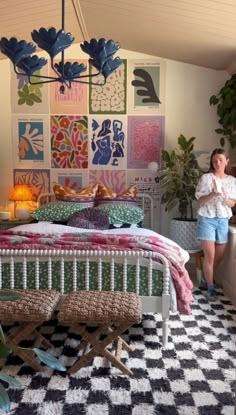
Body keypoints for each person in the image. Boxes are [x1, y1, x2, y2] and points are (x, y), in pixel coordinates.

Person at [195, 148, 236, 301]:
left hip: (223, 220)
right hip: (207, 218)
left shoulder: (232, 181)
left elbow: (232, 203)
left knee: (219, 256)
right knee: (210, 255)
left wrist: (224, 197)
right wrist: (213, 193)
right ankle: (211, 288)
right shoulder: (206, 178)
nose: (217, 163)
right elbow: (200, 200)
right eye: (214, 161)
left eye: (220, 160)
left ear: (226, 161)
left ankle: (207, 278)